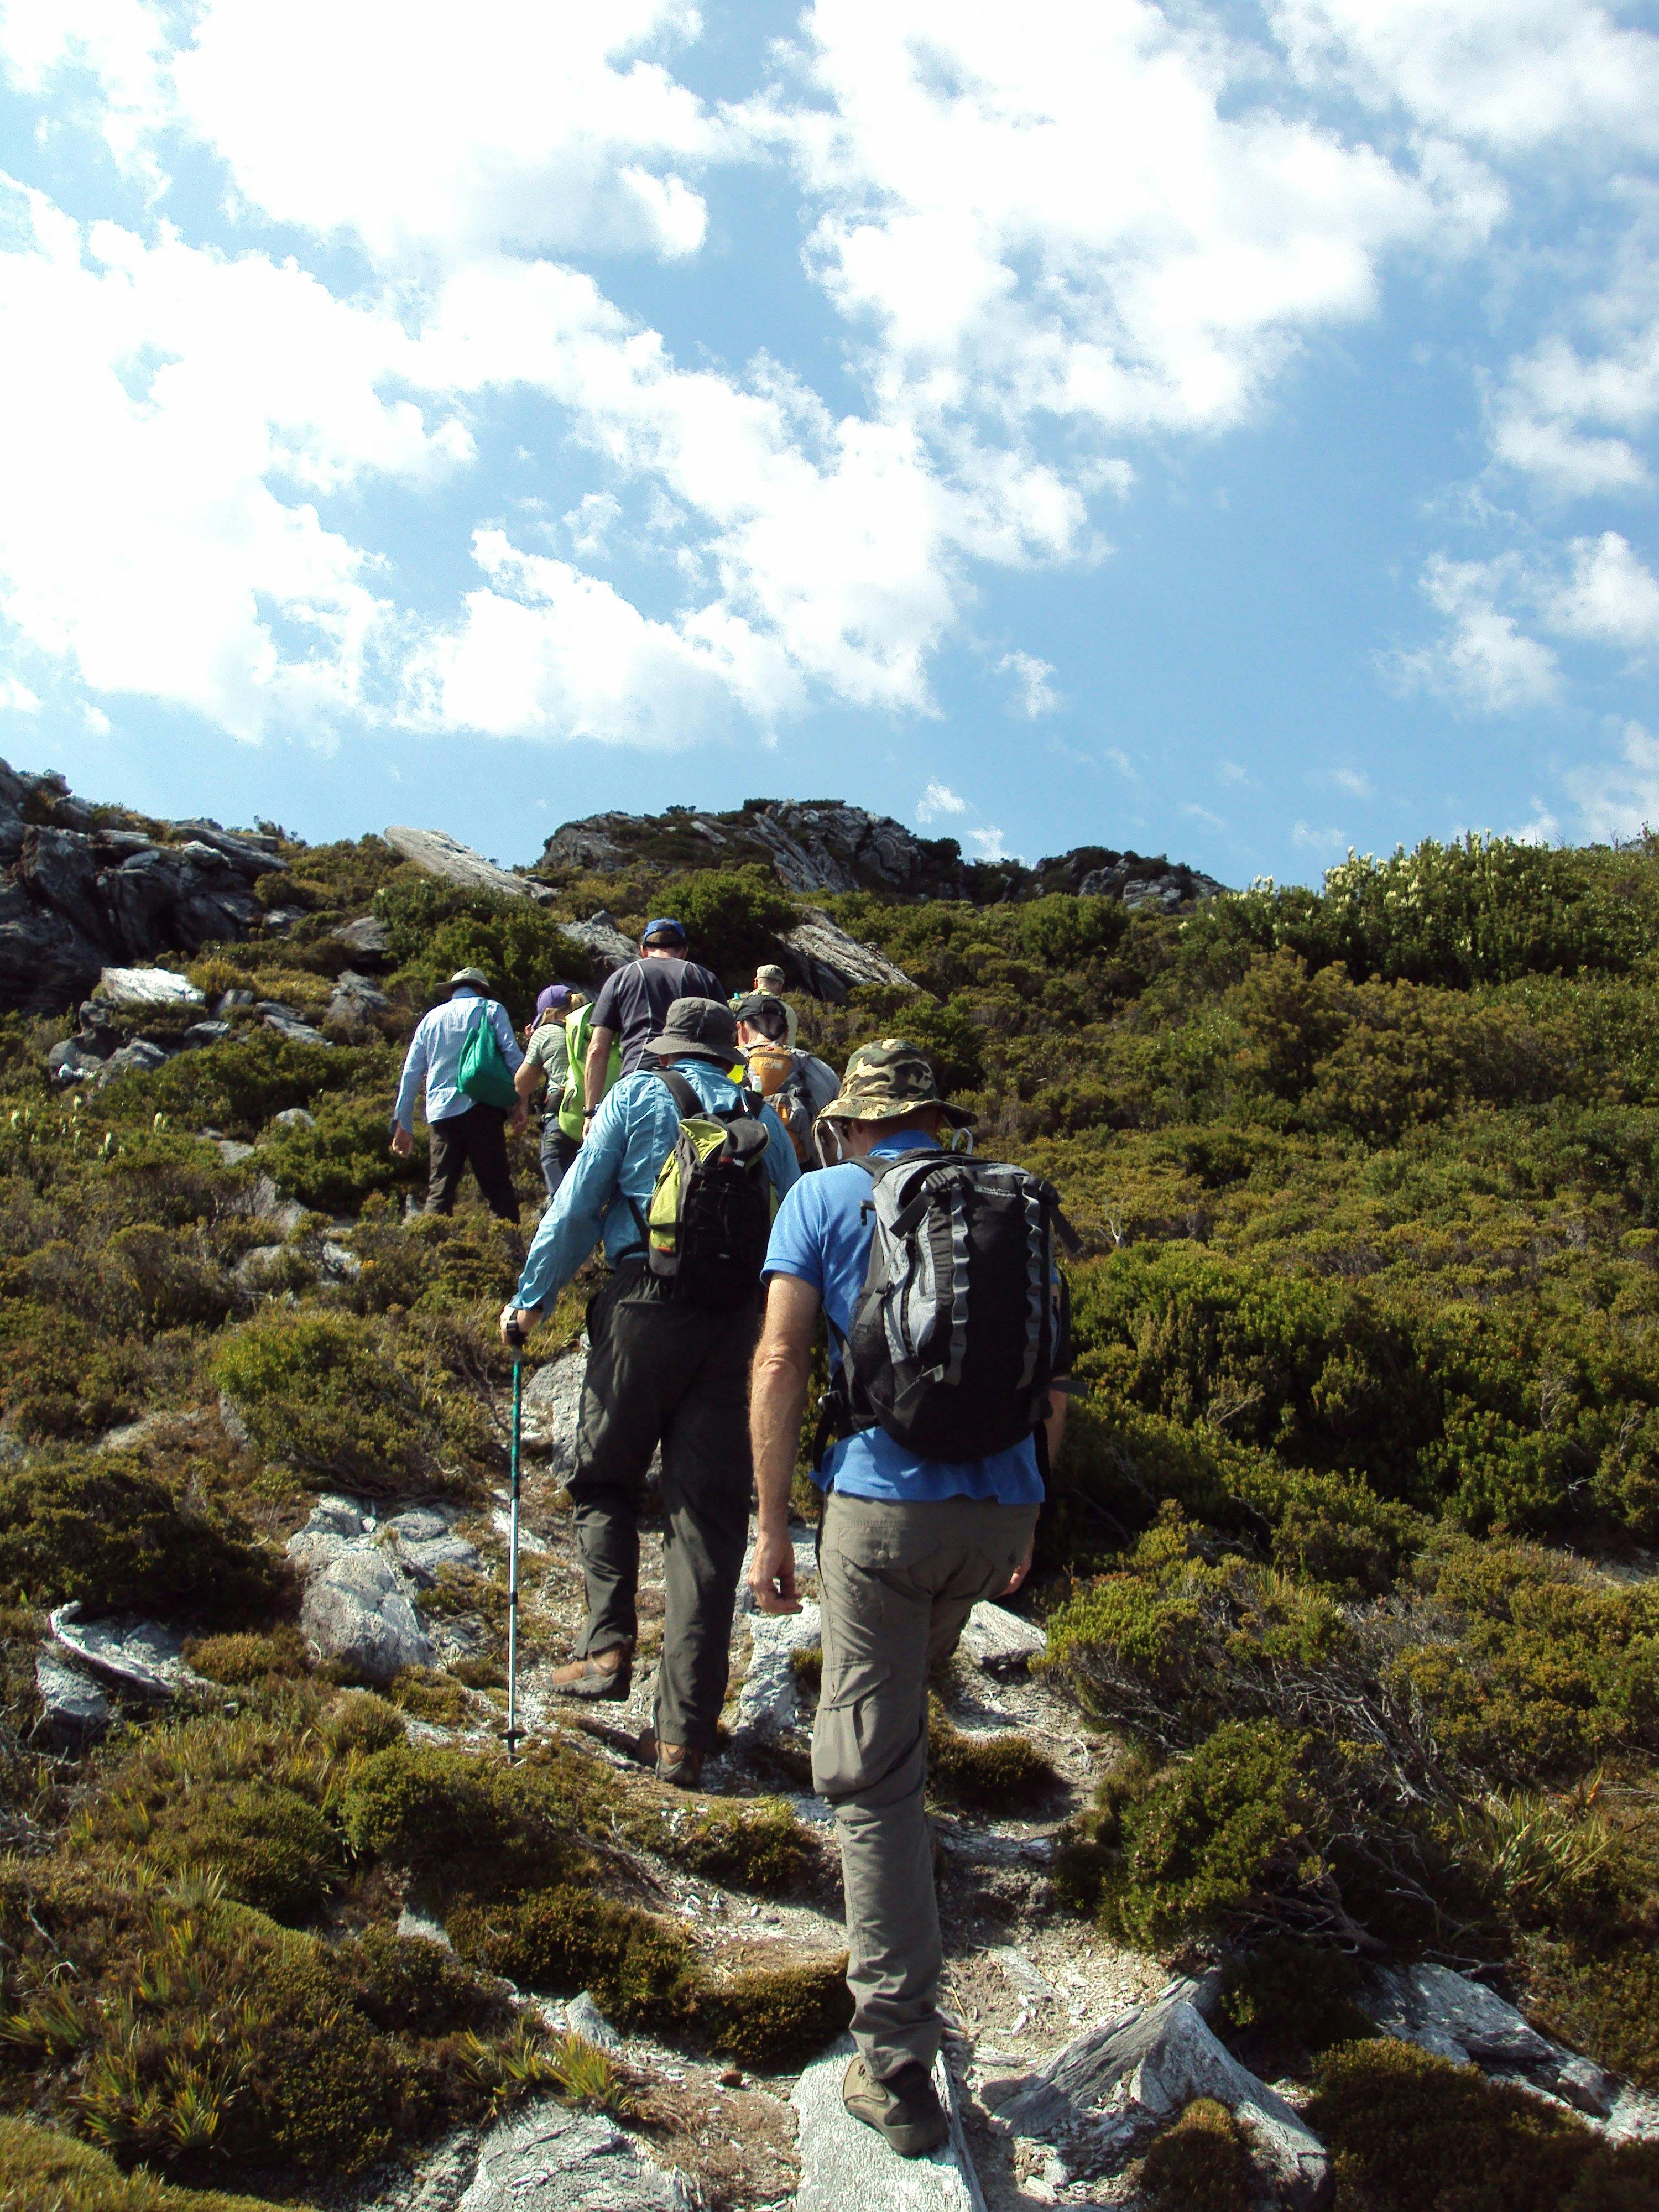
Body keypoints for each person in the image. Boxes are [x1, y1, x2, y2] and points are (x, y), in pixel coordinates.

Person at [747, 1041, 1068, 2159]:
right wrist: (1026, 1513)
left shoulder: (823, 1194)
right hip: (1001, 1513)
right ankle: (920, 1904)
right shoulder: (1010, 1200)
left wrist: (775, 1520)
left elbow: (783, 1357)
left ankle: (895, 2064)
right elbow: (1052, 1382)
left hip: (881, 1511)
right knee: (904, 1719)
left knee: (871, 1778)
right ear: (936, 1117)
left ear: (851, 1123)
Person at [499, 998, 800, 1789]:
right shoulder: (757, 1111)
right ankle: (685, 1739)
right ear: (722, 1049)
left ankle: (605, 1649)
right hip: (739, 1323)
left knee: (605, 1477)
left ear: (667, 1047)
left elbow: (577, 1206)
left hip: (642, 1305)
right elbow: (796, 1214)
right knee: (706, 1521)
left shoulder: (637, 1094)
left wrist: (531, 1300)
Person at [391, 968, 526, 1222]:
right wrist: (523, 1100)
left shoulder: (430, 1019)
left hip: (441, 1113)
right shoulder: (491, 1009)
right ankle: (513, 1252)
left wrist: (403, 1123)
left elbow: (410, 1073)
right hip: (482, 1107)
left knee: (439, 1191)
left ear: (453, 990)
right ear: (480, 989)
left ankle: (434, 1249)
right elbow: (513, 1057)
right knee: (497, 1188)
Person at [582, 919, 724, 1113]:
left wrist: (590, 1112)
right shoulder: (704, 978)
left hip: (637, 1083)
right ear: (684, 950)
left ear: (643, 950)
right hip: (696, 1088)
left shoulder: (622, 977)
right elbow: (724, 1044)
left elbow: (597, 1049)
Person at [733, 991, 838, 1167]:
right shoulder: (822, 1070)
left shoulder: (726, 1066)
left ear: (741, 1030)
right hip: (803, 1181)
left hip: (740, 1184)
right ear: (786, 1033)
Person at [517, 983, 582, 1204]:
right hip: (594, 1113)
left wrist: (534, 1044)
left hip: (562, 1113)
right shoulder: (590, 1029)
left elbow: (523, 1085)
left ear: (549, 1013)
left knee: (554, 1167)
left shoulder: (545, 1032)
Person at [753, 962, 799, 1047]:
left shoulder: (736, 1004)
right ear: (781, 986)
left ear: (756, 983)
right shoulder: (787, 1011)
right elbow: (790, 1048)